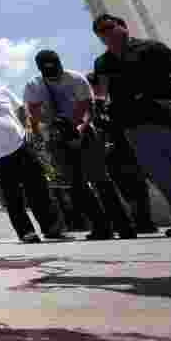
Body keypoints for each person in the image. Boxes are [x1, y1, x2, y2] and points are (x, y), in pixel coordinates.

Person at [91, 14, 171, 237]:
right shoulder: (103, 62)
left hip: (170, 117)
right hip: (135, 126)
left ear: (123, 27)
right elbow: (102, 91)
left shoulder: (152, 48)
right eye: (100, 32)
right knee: (162, 175)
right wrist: (99, 107)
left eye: (109, 27)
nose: (106, 34)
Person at [24, 50, 136, 240]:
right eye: (46, 69)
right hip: (58, 138)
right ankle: (101, 228)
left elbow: (87, 109)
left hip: (84, 134)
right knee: (77, 186)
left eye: (54, 67)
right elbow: (33, 113)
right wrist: (47, 126)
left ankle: (124, 226)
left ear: (59, 63)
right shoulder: (34, 85)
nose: (52, 72)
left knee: (101, 180)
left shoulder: (75, 79)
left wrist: (78, 130)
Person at [0, 68, 70, 243]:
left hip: (21, 145)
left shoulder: (3, 92)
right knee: (12, 197)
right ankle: (26, 232)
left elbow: (21, 110)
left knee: (38, 189)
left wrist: (27, 127)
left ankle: (52, 229)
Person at [87, 71, 159, 234]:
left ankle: (144, 221)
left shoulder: (110, 103)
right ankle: (141, 221)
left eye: (93, 86)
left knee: (135, 185)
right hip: (113, 152)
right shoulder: (95, 105)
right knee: (128, 187)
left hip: (124, 149)